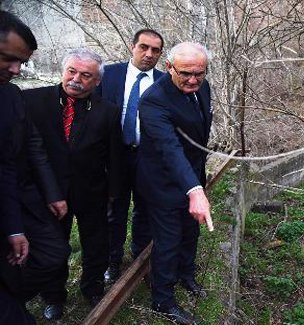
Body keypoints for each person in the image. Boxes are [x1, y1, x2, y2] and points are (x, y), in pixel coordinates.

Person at [23, 48, 123, 320]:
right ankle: (53, 296)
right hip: (48, 194)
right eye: (72, 71)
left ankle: (92, 289)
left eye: (85, 75)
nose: (76, 79)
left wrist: (114, 193)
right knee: (54, 247)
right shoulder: (32, 100)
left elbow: (115, 157)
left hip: (92, 192)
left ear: (97, 81)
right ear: (63, 70)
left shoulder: (109, 112)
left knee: (96, 245)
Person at [137, 42, 214, 325]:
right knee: (168, 240)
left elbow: (198, 134)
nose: (193, 80)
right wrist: (194, 190)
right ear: (169, 68)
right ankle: (163, 299)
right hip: (163, 181)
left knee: (190, 231)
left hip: (192, 173)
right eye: (185, 73)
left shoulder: (202, 87)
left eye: (199, 73)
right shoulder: (153, 100)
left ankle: (186, 275)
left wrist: (196, 183)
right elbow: (170, 148)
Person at [96, 28, 164, 284]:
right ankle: (112, 262)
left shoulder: (164, 82)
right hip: (115, 156)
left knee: (145, 210)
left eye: (155, 50)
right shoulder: (109, 75)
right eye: (143, 47)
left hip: (147, 157)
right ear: (131, 46)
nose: (149, 54)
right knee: (114, 210)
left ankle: (140, 260)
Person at [0, 9, 37, 325]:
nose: (16, 69)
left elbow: (5, 166)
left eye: (22, 62)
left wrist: (13, 227)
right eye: (7, 58)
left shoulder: (10, 98)